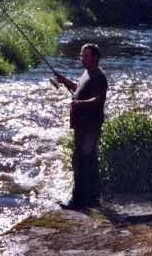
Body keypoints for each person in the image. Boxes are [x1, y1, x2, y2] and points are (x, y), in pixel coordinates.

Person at [55, 43, 108, 210]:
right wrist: (65, 81)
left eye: (85, 56)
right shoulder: (87, 73)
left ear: (95, 58)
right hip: (82, 125)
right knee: (87, 160)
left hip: (90, 126)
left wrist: (80, 104)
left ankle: (78, 201)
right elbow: (79, 89)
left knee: (81, 160)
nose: (82, 59)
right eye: (81, 55)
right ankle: (92, 198)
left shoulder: (99, 76)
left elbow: (98, 100)